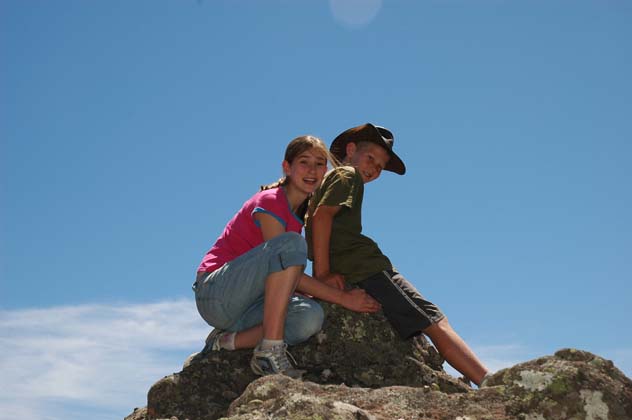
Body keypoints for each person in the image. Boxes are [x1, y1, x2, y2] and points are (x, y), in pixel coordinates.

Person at [305, 123, 490, 386]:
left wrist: (321, 277)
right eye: (371, 158)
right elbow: (323, 219)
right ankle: (488, 382)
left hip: (354, 271)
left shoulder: (326, 184)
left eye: (380, 167)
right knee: (435, 320)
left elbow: (317, 225)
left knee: (429, 321)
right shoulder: (348, 176)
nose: (373, 169)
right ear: (350, 149)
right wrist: (322, 275)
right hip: (368, 270)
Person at [193, 134, 380, 379]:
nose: (312, 170)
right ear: (287, 167)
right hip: (216, 293)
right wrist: (344, 299)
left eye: (320, 163)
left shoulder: (295, 221)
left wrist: (319, 292)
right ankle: (269, 350)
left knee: (310, 316)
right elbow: (283, 261)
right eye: (304, 162)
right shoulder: (270, 201)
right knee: (291, 245)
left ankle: (225, 342)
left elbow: (284, 276)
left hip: (247, 308)